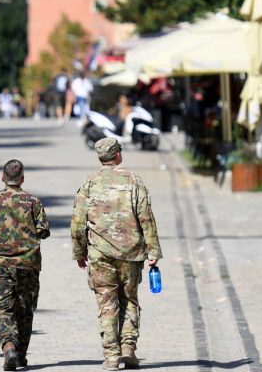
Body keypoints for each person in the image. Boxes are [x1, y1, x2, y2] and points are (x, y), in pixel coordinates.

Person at [70, 137, 163, 371]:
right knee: (129, 299)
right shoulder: (133, 180)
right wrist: (153, 250)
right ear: (118, 155)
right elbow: (146, 216)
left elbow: (78, 221)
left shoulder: (90, 182)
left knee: (107, 304)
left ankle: (111, 356)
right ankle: (128, 347)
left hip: (100, 253)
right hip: (131, 253)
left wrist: (79, 252)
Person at [0, 160, 50, 371]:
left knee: (3, 309)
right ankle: (21, 354)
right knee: (25, 309)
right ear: (22, 179)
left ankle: (9, 347)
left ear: (2, 177)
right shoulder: (33, 201)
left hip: (0, 265)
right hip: (28, 264)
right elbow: (44, 230)